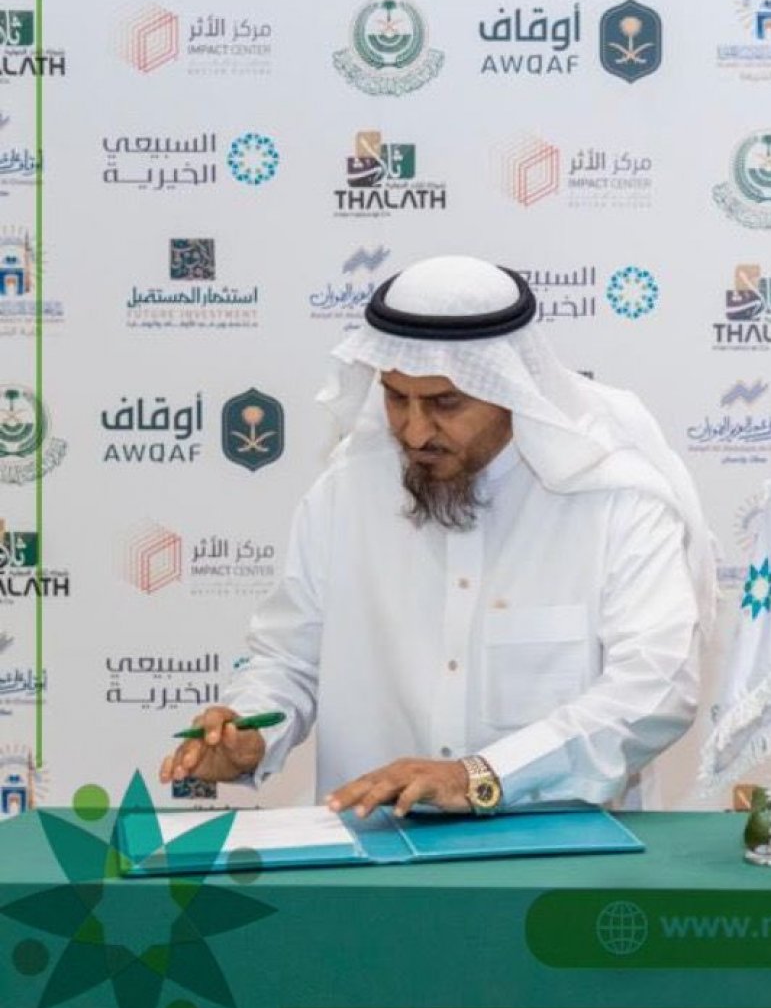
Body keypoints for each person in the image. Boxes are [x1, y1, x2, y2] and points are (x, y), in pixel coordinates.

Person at [160, 256, 716, 817]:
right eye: (396, 398)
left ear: (509, 388)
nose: (415, 431)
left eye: (446, 403)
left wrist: (480, 777)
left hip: (559, 853)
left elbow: (656, 689)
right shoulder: (344, 493)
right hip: (371, 847)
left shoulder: (613, 502)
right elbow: (288, 660)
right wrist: (254, 732)